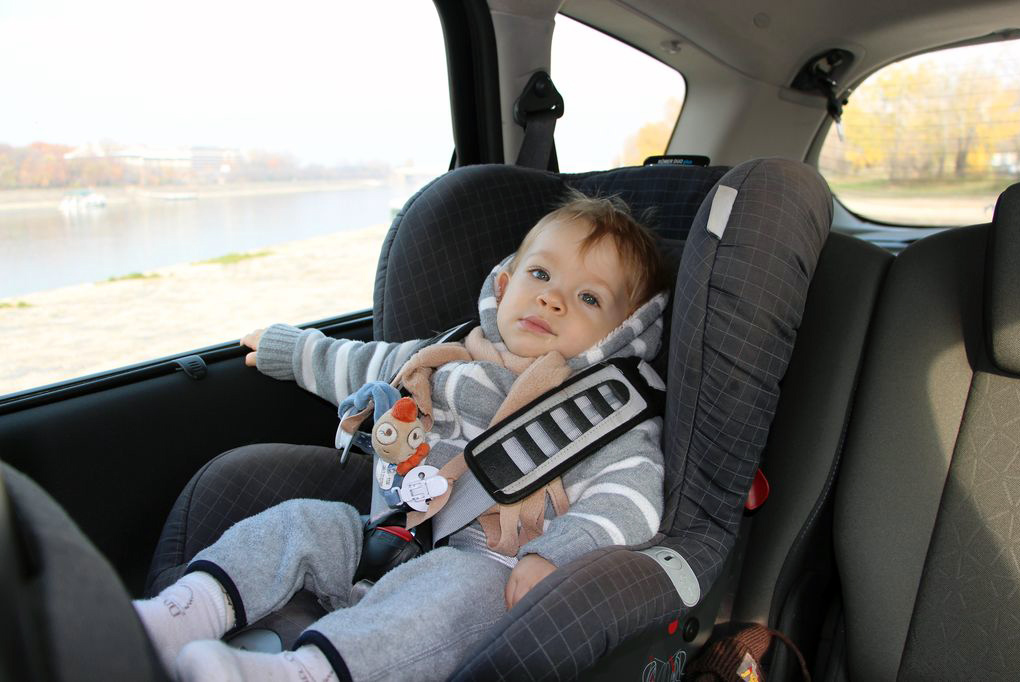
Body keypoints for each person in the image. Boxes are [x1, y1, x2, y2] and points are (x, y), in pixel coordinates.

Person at [133, 190, 670, 682]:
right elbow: (362, 365)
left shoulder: (607, 411)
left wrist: (554, 555)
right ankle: (179, 615)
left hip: (490, 568)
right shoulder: (446, 355)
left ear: (623, 329)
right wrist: (293, 351)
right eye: (540, 274)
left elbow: (631, 500)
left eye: (589, 298)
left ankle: (302, 673)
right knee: (299, 522)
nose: (553, 299)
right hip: (387, 533)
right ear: (505, 285)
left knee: (449, 598)